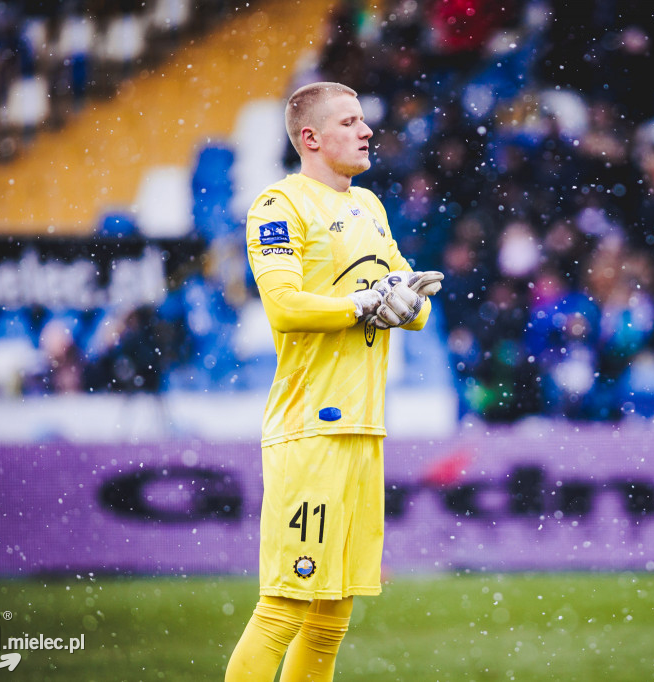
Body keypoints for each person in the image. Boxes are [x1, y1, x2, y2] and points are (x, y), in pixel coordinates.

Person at [224, 81, 443, 681]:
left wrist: (402, 304)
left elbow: (411, 299)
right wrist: (362, 305)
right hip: (310, 429)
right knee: (284, 607)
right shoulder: (279, 205)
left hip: (365, 428)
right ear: (312, 138)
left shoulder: (370, 206)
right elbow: (285, 307)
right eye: (350, 122)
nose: (367, 130)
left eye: (364, 120)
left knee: (331, 615)